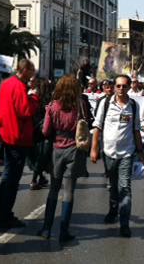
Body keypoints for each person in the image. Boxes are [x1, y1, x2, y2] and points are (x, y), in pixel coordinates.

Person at [91, 75, 144, 238]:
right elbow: (97, 127)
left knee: (125, 188)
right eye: (118, 86)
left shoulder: (133, 106)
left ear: (129, 88)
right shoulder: (105, 104)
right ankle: (113, 209)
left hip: (127, 153)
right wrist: (94, 149)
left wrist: (141, 151)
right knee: (112, 186)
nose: (121, 89)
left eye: (124, 86)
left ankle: (125, 223)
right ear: (114, 87)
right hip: (108, 153)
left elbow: (136, 130)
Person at [38, 74, 88, 241]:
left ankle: (46, 228)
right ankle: (64, 231)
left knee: (53, 189)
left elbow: (45, 131)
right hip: (74, 149)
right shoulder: (80, 105)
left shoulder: (52, 106)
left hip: (56, 150)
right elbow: (84, 126)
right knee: (69, 191)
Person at [0, 59, 39, 228]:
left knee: (8, 175)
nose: (34, 74)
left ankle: (2, 212)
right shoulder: (18, 86)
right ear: (25, 70)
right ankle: (5, 215)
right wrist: (34, 97)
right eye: (32, 70)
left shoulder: (6, 83)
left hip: (7, 132)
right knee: (12, 178)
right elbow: (25, 111)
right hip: (17, 135)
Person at [29, 78, 53, 190]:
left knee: (37, 155)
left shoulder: (34, 98)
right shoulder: (49, 100)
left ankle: (41, 177)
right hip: (44, 130)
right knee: (41, 156)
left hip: (33, 129)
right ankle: (34, 180)